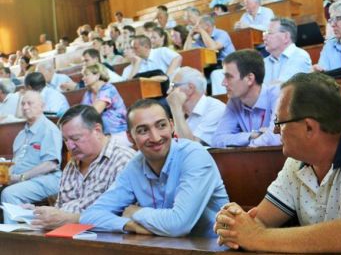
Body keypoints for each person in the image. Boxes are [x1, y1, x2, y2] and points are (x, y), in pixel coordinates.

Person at [214, 72, 341, 252]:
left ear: (309, 127)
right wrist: (234, 225)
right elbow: (259, 221)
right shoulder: (297, 162)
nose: (275, 131)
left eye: (279, 122)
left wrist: (256, 237)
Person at [80, 99, 229, 236]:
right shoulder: (134, 165)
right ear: (130, 137)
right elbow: (89, 217)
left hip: (216, 249)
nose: (155, 137)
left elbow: (178, 225)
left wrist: (135, 212)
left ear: (172, 126)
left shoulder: (194, 155)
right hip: (166, 248)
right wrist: (129, 225)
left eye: (161, 125)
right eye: (143, 130)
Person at [29, 105, 136, 230]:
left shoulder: (122, 161)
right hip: (65, 232)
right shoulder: (72, 164)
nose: (70, 146)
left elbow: (123, 218)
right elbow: (61, 209)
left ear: (97, 131)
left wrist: (71, 219)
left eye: (75, 138)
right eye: (65, 140)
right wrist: (38, 212)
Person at [1, 91, 62, 222]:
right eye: (23, 104)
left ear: (42, 106)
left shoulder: (49, 129)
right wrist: (5, 177)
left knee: (10, 193)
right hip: (23, 179)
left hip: (46, 178)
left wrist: (22, 177)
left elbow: (51, 164)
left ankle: (14, 233)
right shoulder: (21, 134)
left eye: (30, 103)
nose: (25, 107)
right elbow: (16, 162)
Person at [212, 50, 282, 148]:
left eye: (229, 77)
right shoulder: (234, 102)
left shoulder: (278, 95)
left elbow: (277, 137)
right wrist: (251, 136)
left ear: (249, 79)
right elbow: (217, 140)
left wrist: (249, 145)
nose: (223, 83)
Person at [166, 66, 226, 147]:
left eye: (173, 85)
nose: (168, 91)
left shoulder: (215, 109)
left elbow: (190, 147)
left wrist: (176, 109)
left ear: (190, 88)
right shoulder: (185, 113)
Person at [80, 63, 130, 147]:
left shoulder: (108, 88)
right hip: (102, 136)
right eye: (83, 75)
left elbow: (94, 112)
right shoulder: (88, 93)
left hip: (118, 133)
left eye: (86, 75)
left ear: (97, 75)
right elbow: (82, 113)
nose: (83, 78)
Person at [262, 18, 312, 85]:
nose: (264, 38)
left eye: (269, 33)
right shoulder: (264, 62)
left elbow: (284, 87)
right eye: (264, 33)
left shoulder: (300, 56)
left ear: (286, 37)